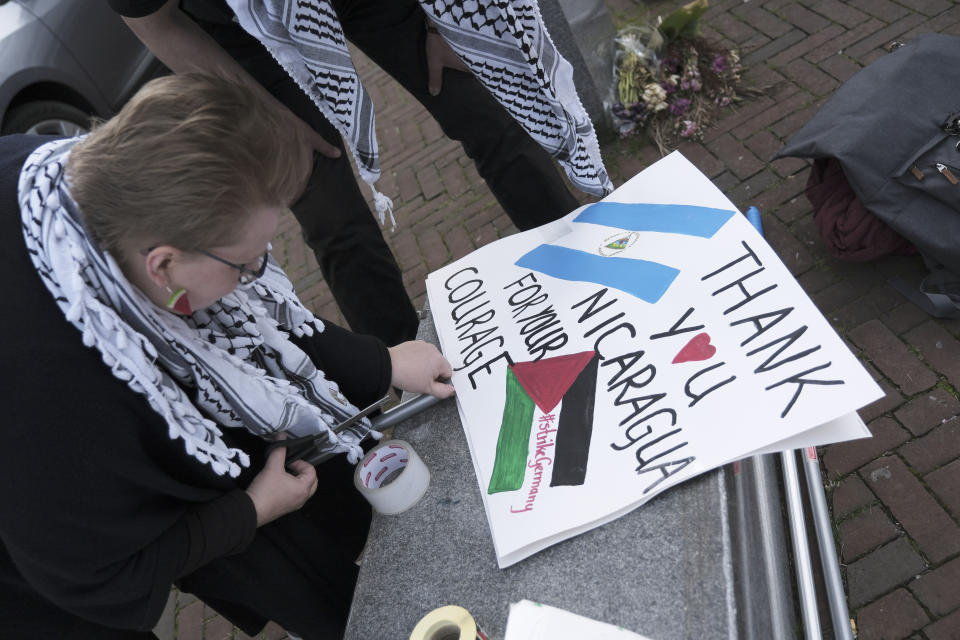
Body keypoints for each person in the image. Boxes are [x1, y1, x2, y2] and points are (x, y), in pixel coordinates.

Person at [0, 72, 454, 639]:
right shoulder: (58, 404)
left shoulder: (80, 177)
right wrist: (248, 513)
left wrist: (380, 362)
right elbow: (97, 578)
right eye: (243, 264)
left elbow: (256, 321)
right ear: (162, 266)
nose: (256, 276)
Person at [107, 0, 584, 348]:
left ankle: (585, 271)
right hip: (241, 29)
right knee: (330, 214)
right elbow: (157, 22)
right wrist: (266, 118)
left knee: (485, 113)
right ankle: (412, 371)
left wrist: (446, 22)